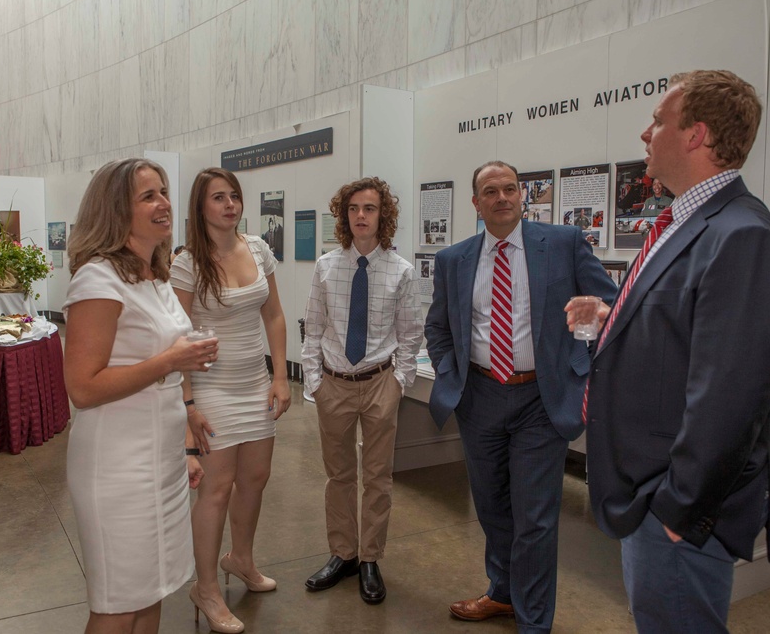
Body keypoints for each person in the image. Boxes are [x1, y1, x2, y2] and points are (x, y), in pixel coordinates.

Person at [578, 70, 770, 633]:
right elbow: (687, 332)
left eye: (658, 120)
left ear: (696, 135)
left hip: (674, 510)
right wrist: (610, 319)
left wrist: (678, 511)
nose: (645, 133)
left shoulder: (743, 235)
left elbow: (732, 396)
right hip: (650, 495)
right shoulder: (686, 224)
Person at [425, 161, 616, 633]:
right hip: (481, 396)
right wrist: (454, 376)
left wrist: (580, 364)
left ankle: (534, 623)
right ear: (476, 203)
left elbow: (606, 307)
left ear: (522, 196)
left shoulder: (565, 244)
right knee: (492, 508)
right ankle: (504, 592)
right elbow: (438, 327)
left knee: (534, 518)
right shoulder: (455, 260)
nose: (503, 197)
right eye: (491, 191)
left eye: (510, 188)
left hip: (540, 399)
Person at [63, 158, 217, 634]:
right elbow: (83, 387)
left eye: (164, 192)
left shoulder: (156, 274)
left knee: (153, 593)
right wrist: (171, 361)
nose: (164, 203)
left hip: (162, 461)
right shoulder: (98, 279)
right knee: (118, 604)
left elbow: (163, 373)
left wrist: (184, 450)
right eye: (148, 196)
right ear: (115, 210)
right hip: (117, 466)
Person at [170, 167, 290, 634]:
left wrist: (280, 377)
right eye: (218, 198)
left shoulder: (258, 249)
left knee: (255, 480)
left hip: (255, 384)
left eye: (234, 196)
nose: (230, 205)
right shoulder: (187, 264)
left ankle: (240, 558)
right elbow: (178, 338)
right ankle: (205, 587)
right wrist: (188, 405)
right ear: (200, 208)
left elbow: (275, 315)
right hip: (212, 389)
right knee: (215, 491)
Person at [302, 177, 423, 604]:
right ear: (344, 216)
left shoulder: (401, 271)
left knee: (377, 477)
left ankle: (370, 558)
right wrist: (314, 382)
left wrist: (400, 382)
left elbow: (410, 335)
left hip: (379, 384)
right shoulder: (326, 266)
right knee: (339, 475)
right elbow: (313, 327)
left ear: (382, 216)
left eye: (369, 208)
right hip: (334, 383)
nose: (360, 216)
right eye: (353, 208)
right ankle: (343, 554)